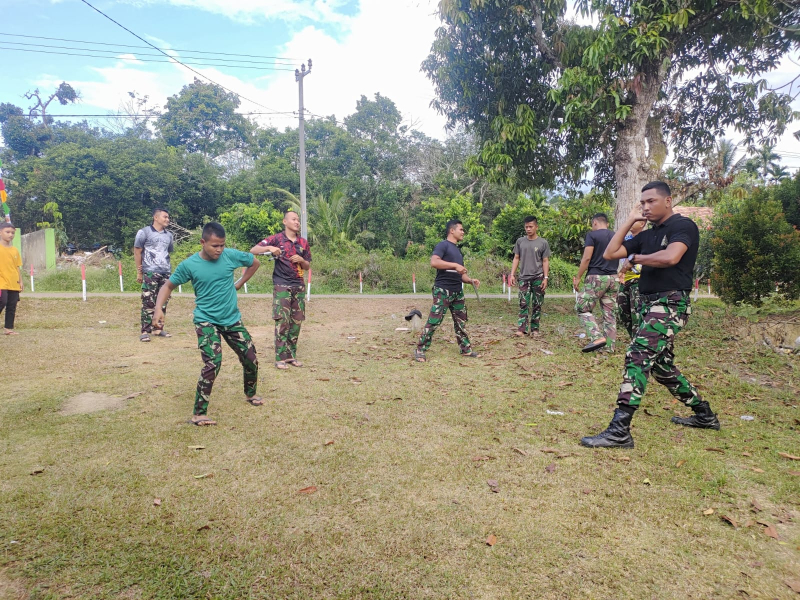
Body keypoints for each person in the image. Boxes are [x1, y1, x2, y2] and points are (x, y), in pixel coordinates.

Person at [580, 181, 719, 449]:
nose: (645, 206)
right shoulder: (647, 235)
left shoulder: (683, 226)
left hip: (670, 302)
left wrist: (637, 259)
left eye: (651, 201)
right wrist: (630, 219)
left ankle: (620, 430)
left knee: (637, 354)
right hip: (647, 303)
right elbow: (610, 253)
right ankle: (704, 414)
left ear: (668, 201)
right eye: (642, 203)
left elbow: (671, 257)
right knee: (661, 367)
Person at [153, 222, 262, 426]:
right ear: (203, 242)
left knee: (251, 358)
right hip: (206, 320)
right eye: (214, 246)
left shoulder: (230, 255)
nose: (219, 250)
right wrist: (159, 308)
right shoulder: (190, 265)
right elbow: (168, 286)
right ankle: (199, 413)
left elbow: (254, 262)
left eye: (222, 245)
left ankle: (250, 394)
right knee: (213, 362)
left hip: (231, 319)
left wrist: (239, 283)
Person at [249, 211, 311, 370]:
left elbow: (308, 265)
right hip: (282, 285)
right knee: (282, 322)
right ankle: (280, 358)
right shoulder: (276, 239)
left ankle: (291, 356)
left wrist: (301, 260)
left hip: (299, 285)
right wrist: (270, 247)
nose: (297, 222)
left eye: (298, 220)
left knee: (296, 322)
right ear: (285, 221)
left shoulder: (303, 243)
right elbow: (253, 250)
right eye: (294, 219)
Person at [414, 219, 481, 362]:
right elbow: (434, 262)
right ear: (452, 230)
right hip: (443, 291)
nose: (463, 232)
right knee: (434, 321)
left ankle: (465, 349)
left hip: (457, 291)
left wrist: (470, 280)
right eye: (461, 229)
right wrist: (455, 265)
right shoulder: (443, 245)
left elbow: (460, 274)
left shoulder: (458, 251)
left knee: (461, 322)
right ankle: (420, 349)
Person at [573, 213, 618, 352]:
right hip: (613, 277)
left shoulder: (592, 236)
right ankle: (609, 347)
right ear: (607, 224)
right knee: (609, 314)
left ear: (594, 223)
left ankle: (596, 336)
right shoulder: (616, 235)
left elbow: (586, 258)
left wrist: (579, 276)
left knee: (582, 308)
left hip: (596, 277)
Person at [134, 208, 174, 342]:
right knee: (148, 301)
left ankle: (158, 328)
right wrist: (139, 272)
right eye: (165, 217)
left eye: (168, 217)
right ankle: (145, 330)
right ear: (156, 218)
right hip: (150, 271)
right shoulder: (144, 232)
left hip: (165, 271)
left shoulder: (169, 235)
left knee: (163, 301)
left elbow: (168, 252)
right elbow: (137, 251)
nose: (167, 219)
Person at [508, 216, 551, 337]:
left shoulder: (543, 243)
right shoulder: (520, 241)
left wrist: (546, 278)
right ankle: (522, 329)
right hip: (523, 277)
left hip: (538, 277)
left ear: (536, 227)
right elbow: (516, 258)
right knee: (523, 303)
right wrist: (512, 275)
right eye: (526, 227)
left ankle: (535, 329)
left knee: (537, 304)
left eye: (531, 226)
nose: (528, 229)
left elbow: (545, 261)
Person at [616, 219, 646, 339]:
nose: (630, 222)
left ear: (642, 224)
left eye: (635, 221)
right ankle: (634, 338)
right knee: (623, 312)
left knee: (636, 314)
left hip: (638, 280)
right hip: (625, 280)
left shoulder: (646, 239)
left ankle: (638, 342)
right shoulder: (626, 239)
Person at [0, 222, 23, 335]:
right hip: (1, 281)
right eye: (7, 232)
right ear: (0, 232)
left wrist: (21, 281)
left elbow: (17, 267)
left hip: (14, 281)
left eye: (12, 233)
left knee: (12, 305)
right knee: (2, 301)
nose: (10, 235)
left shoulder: (14, 250)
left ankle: (8, 328)